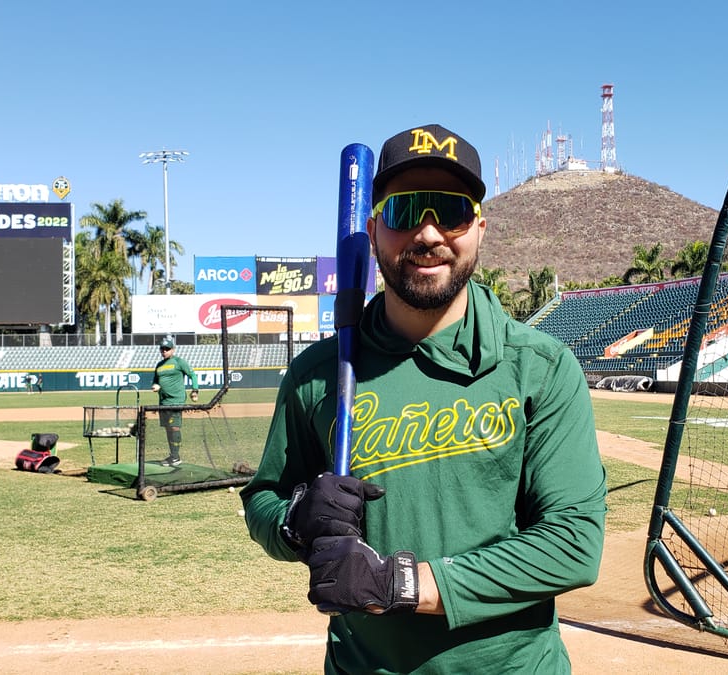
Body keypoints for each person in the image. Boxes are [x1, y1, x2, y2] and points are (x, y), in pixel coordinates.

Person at [241, 123, 607, 673]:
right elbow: (264, 499)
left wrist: (404, 583)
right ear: (372, 231)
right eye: (406, 211)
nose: (429, 234)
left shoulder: (539, 367)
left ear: (480, 228)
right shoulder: (318, 375)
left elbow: (573, 544)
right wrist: (296, 519)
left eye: (451, 210)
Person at [151, 335, 198, 467]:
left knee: (174, 427)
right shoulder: (159, 365)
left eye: (167, 349)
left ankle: (176, 457)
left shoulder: (179, 362)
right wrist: (155, 385)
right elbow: (155, 380)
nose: (164, 351)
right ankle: (172, 455)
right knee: (168, 429)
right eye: (162, 349)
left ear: (173, 350)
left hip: (176, 401)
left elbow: (192, 375)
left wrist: (195, 390)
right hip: (163, 402)